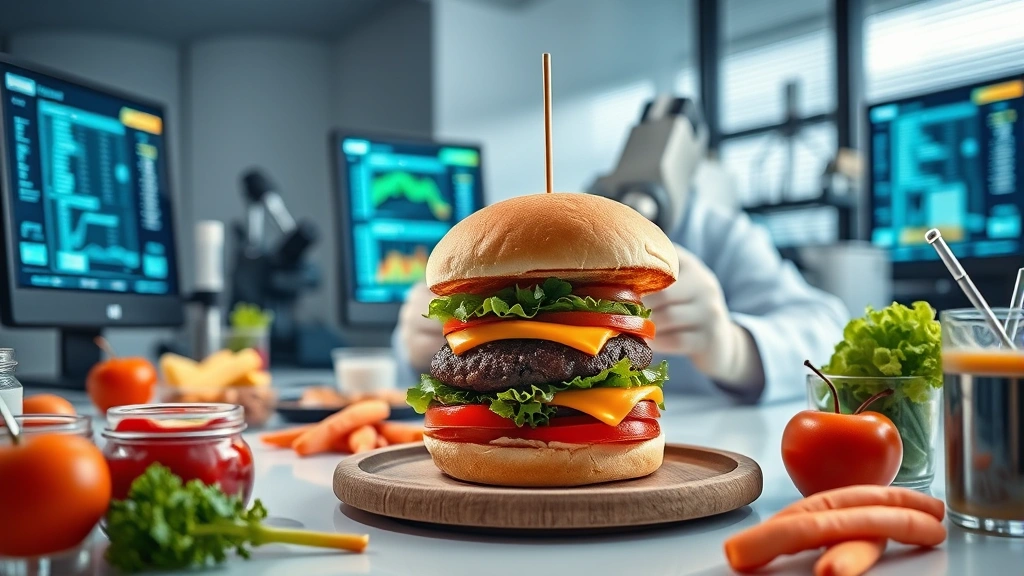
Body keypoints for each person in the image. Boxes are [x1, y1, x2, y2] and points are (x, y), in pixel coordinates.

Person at [393, 193, 848, 404]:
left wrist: (730, 345)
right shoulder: (507, 228)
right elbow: (398, 380)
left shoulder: (718, 231)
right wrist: (422, 341)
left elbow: (828, 329)